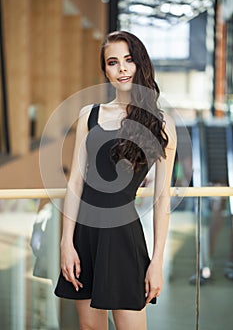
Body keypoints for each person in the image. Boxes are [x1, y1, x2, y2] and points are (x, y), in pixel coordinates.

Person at [54, 31, 177, 330]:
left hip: (124, 236)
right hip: (85, 233)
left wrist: (157, 262)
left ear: (140, 65)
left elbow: (162, 199)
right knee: (89, 327)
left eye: (128, 60)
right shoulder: (89, 115)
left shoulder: (160, 125)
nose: (122, 68)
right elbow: (76, 183)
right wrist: (65, 243)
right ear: (105, 70)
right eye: (113, 62)